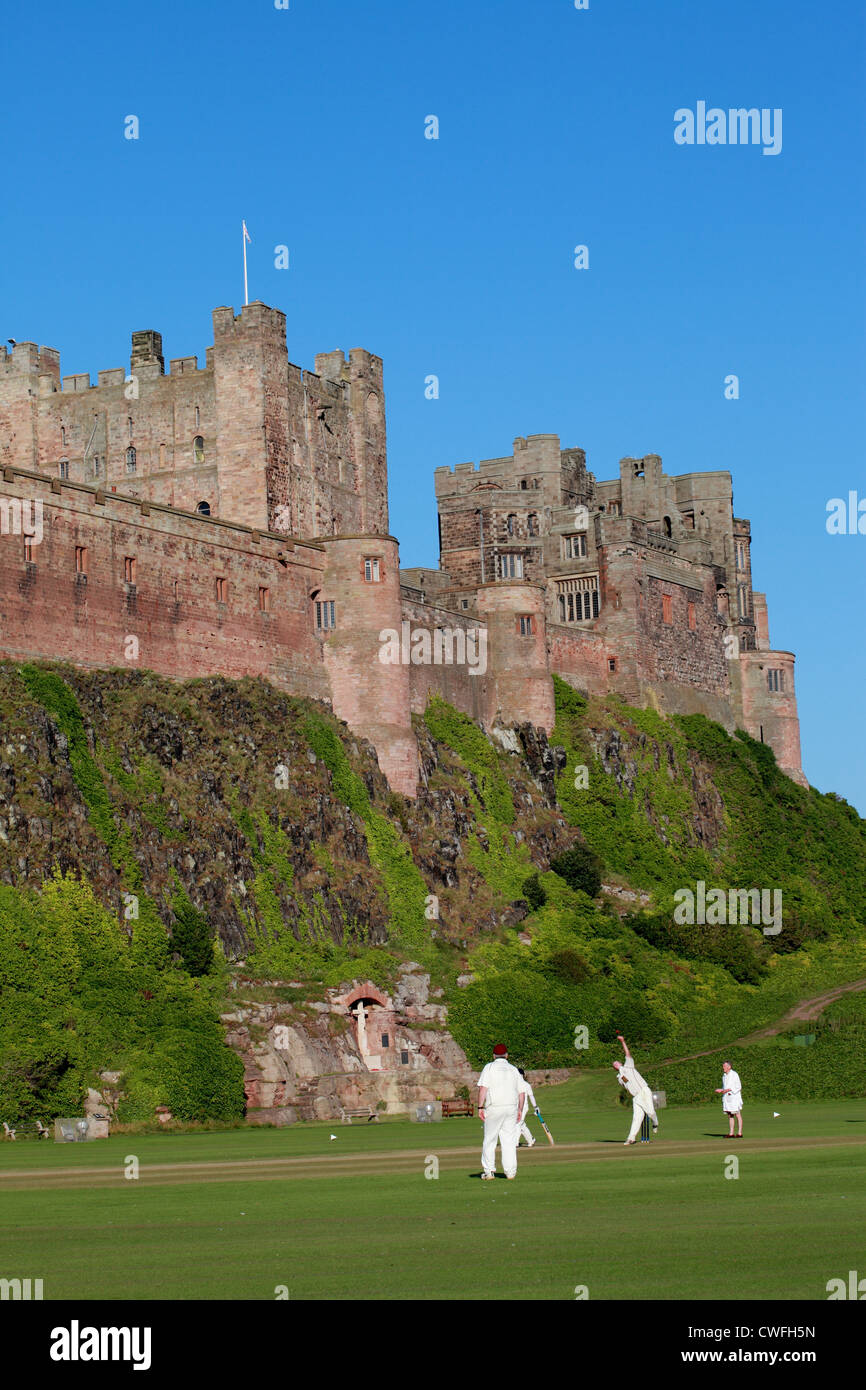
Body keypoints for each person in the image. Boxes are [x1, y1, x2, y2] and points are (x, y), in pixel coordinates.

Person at [477, 1043, 527, 1179]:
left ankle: (488, 1171)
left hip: (494, 1107)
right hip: (511, 1107)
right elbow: (522, 1093)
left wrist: (480, 1107)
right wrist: (520, 1110)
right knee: (509, 1141)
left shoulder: (489, 1067)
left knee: (490, 1140)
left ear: (493, 1056)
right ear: (507, 1055)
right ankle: (510, 1172)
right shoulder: (513, 1069)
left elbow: (483, 1089)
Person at [612, 1033, 658, 1145]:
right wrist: (622, 1074)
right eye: (614, 1064)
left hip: (644, 1091)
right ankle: (631, 1138)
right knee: (636, 1118)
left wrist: (622, 1041)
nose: (615, 1063)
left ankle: (655, 1122)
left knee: (650, 1112)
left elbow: (627, 1053)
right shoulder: (619, 1077)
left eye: (617, 1062)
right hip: (636, 1097)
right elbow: (627, 1084)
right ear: (614, 1068)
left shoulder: (629, 1065)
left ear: (621, 1063)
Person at [716, 1061, 743, 1138]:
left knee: (737, 1114)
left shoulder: (734, 1074)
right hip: (727, 1098)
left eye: (724, 1066)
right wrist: (721, 1090)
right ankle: (731, 1133)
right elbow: (725, 1088)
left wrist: (727, 1090)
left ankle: (739, 1133)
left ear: (729, 1067)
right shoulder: (724, 1076)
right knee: (730, 1115)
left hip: (734, 1097)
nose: (723, 1068)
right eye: (723, 1066)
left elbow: (738, 1086)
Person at [516, 1068, 537, 1147]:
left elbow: (531, 1096)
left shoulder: (526, 1085)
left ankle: (515, 1142)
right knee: (521, 1124)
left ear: (522, 1075)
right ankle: (531, 1140)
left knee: (517, 1124)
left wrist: (535, 1107)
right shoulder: (514, 1085)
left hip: (524, 1108)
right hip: (516, 1108)